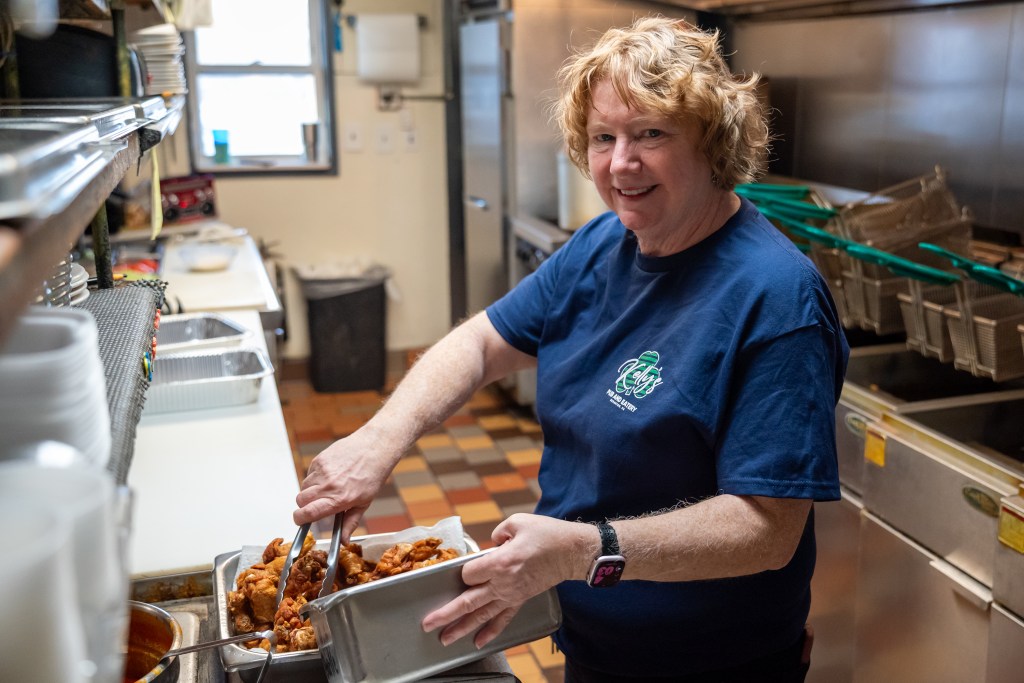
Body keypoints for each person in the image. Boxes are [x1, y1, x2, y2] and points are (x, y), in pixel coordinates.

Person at [294, 15, 849, 683]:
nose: (621, 163)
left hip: (710, 660)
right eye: (603, 137)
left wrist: (587, 550)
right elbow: (480, 341)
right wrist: (381, 438)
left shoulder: (776, 297)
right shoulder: (602, 245)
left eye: (651, 133)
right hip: (592, 639)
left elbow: (767, 529)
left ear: (712, 141)